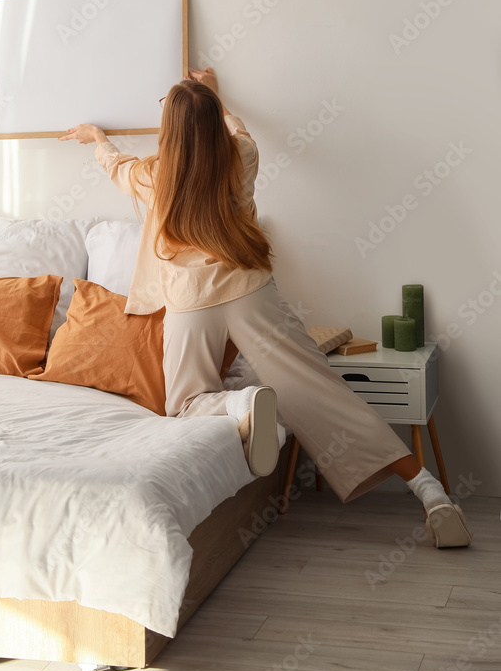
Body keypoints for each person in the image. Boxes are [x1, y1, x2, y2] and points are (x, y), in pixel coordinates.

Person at [59, 68, 472, 548]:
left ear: (168, 132)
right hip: (249, 291)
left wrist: (97, 137)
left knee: (186, 405)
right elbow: (241, 131)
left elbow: (117, 166)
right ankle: (433, 495)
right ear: (213, 123)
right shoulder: (242, 158)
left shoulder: (154, 176)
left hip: (190, 303)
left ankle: (242, 403)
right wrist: (216, 96)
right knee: (324, 394)